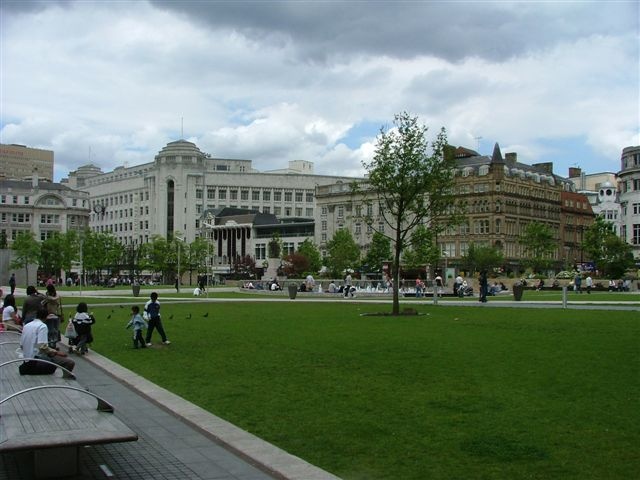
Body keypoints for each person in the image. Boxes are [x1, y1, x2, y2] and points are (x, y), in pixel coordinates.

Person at [19, 307, 75, 377]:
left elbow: (21, 345)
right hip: (36, 361)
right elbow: (43, 347)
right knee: (70, 362)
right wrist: (56, 352)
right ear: (46, 317)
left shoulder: (27, 326)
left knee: (56, 358)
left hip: (27, 361)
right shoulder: (42, 326)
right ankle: (67, 379)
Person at [42, 284, 63, 348]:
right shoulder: (55, 296)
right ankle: (53, 343)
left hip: (50, 315)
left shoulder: (47, 296)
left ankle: (51, 342)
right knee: (55, 330)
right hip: (55, 315)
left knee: (51, 330)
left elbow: (43, 303)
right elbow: (54, 300)